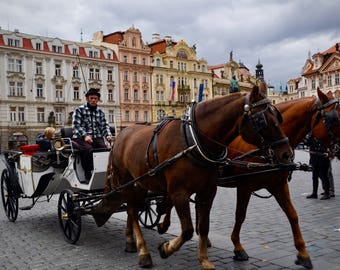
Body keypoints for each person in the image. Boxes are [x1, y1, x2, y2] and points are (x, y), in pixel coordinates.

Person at [72, 88, 113, 182]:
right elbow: (76, 126)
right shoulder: (79, 110)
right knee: (88, 149)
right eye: (91, 98)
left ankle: (104, 171)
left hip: (97, 137)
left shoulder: (100, 112)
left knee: (105, 149)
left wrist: (108, 135)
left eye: (95, 98)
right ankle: (87, 171)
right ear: (87, 99)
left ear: (98, 100)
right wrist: (85, 135)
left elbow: (104, 126)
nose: (93, 100)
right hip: (81, 137)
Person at [304, 135, 331, 200]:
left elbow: (330, 147)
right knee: (314, 177)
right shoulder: (311, 138)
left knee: (324, 176)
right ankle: (314, 193)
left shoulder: (324, 137)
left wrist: (329, 153)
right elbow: (307, 143)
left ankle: (327, 193)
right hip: (314, 160)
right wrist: (307, 138)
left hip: (323, 160)